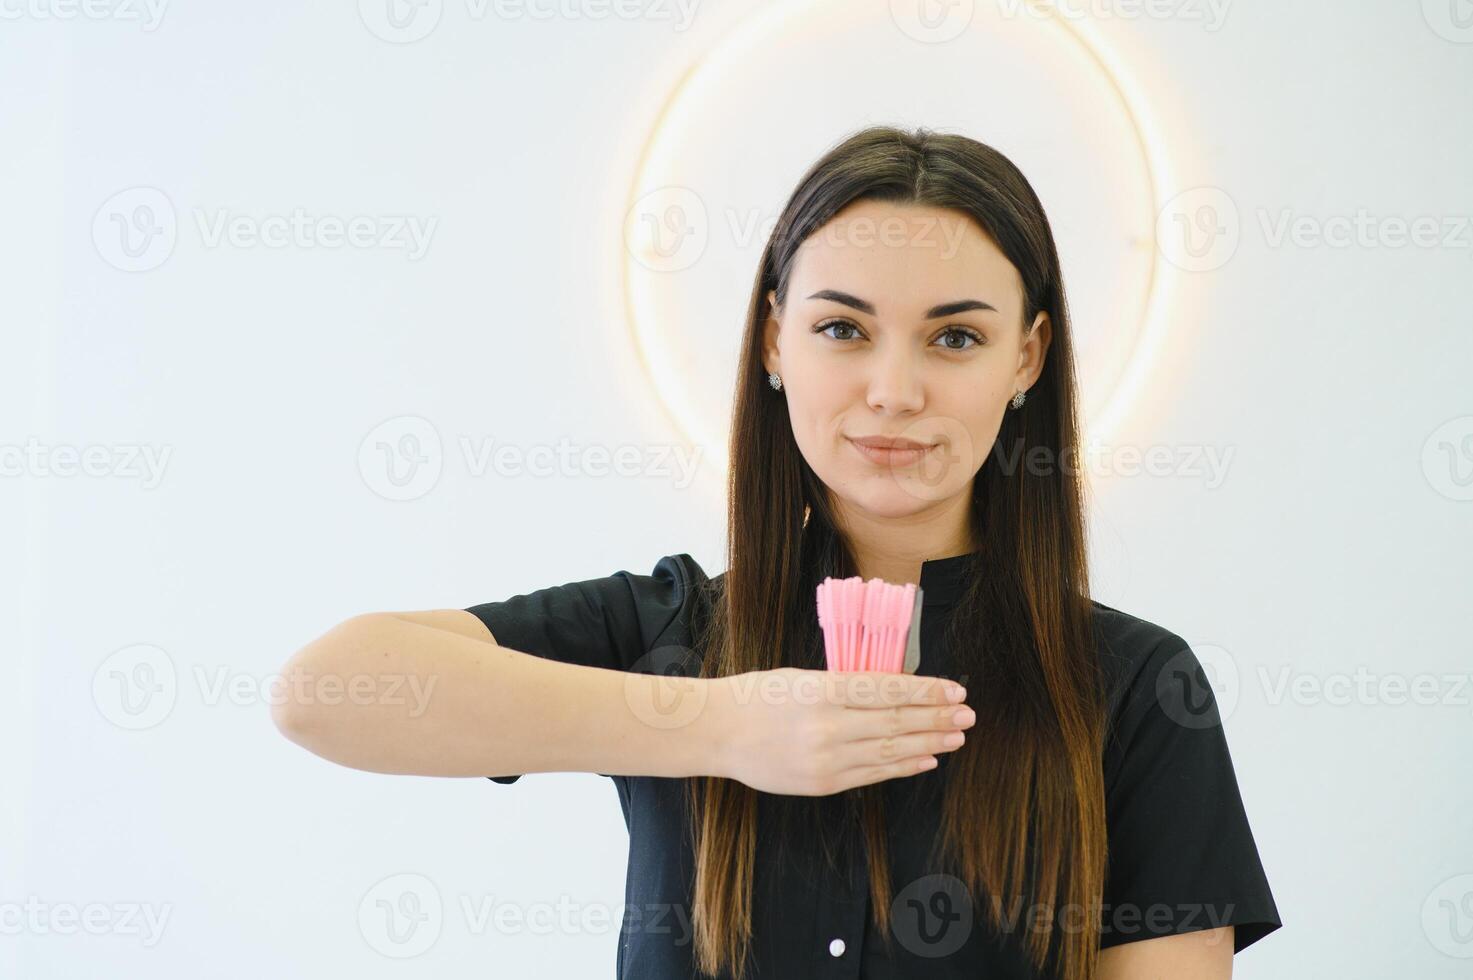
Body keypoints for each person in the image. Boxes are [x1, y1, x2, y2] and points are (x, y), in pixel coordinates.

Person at [272, 125, 1282, 979]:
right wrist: (712, 724)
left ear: (1028, 354)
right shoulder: (668, 628)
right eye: (843, 327)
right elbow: (324, 689)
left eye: (956, 338)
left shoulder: (1136, 687)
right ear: (772, 341)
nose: (893, 389)